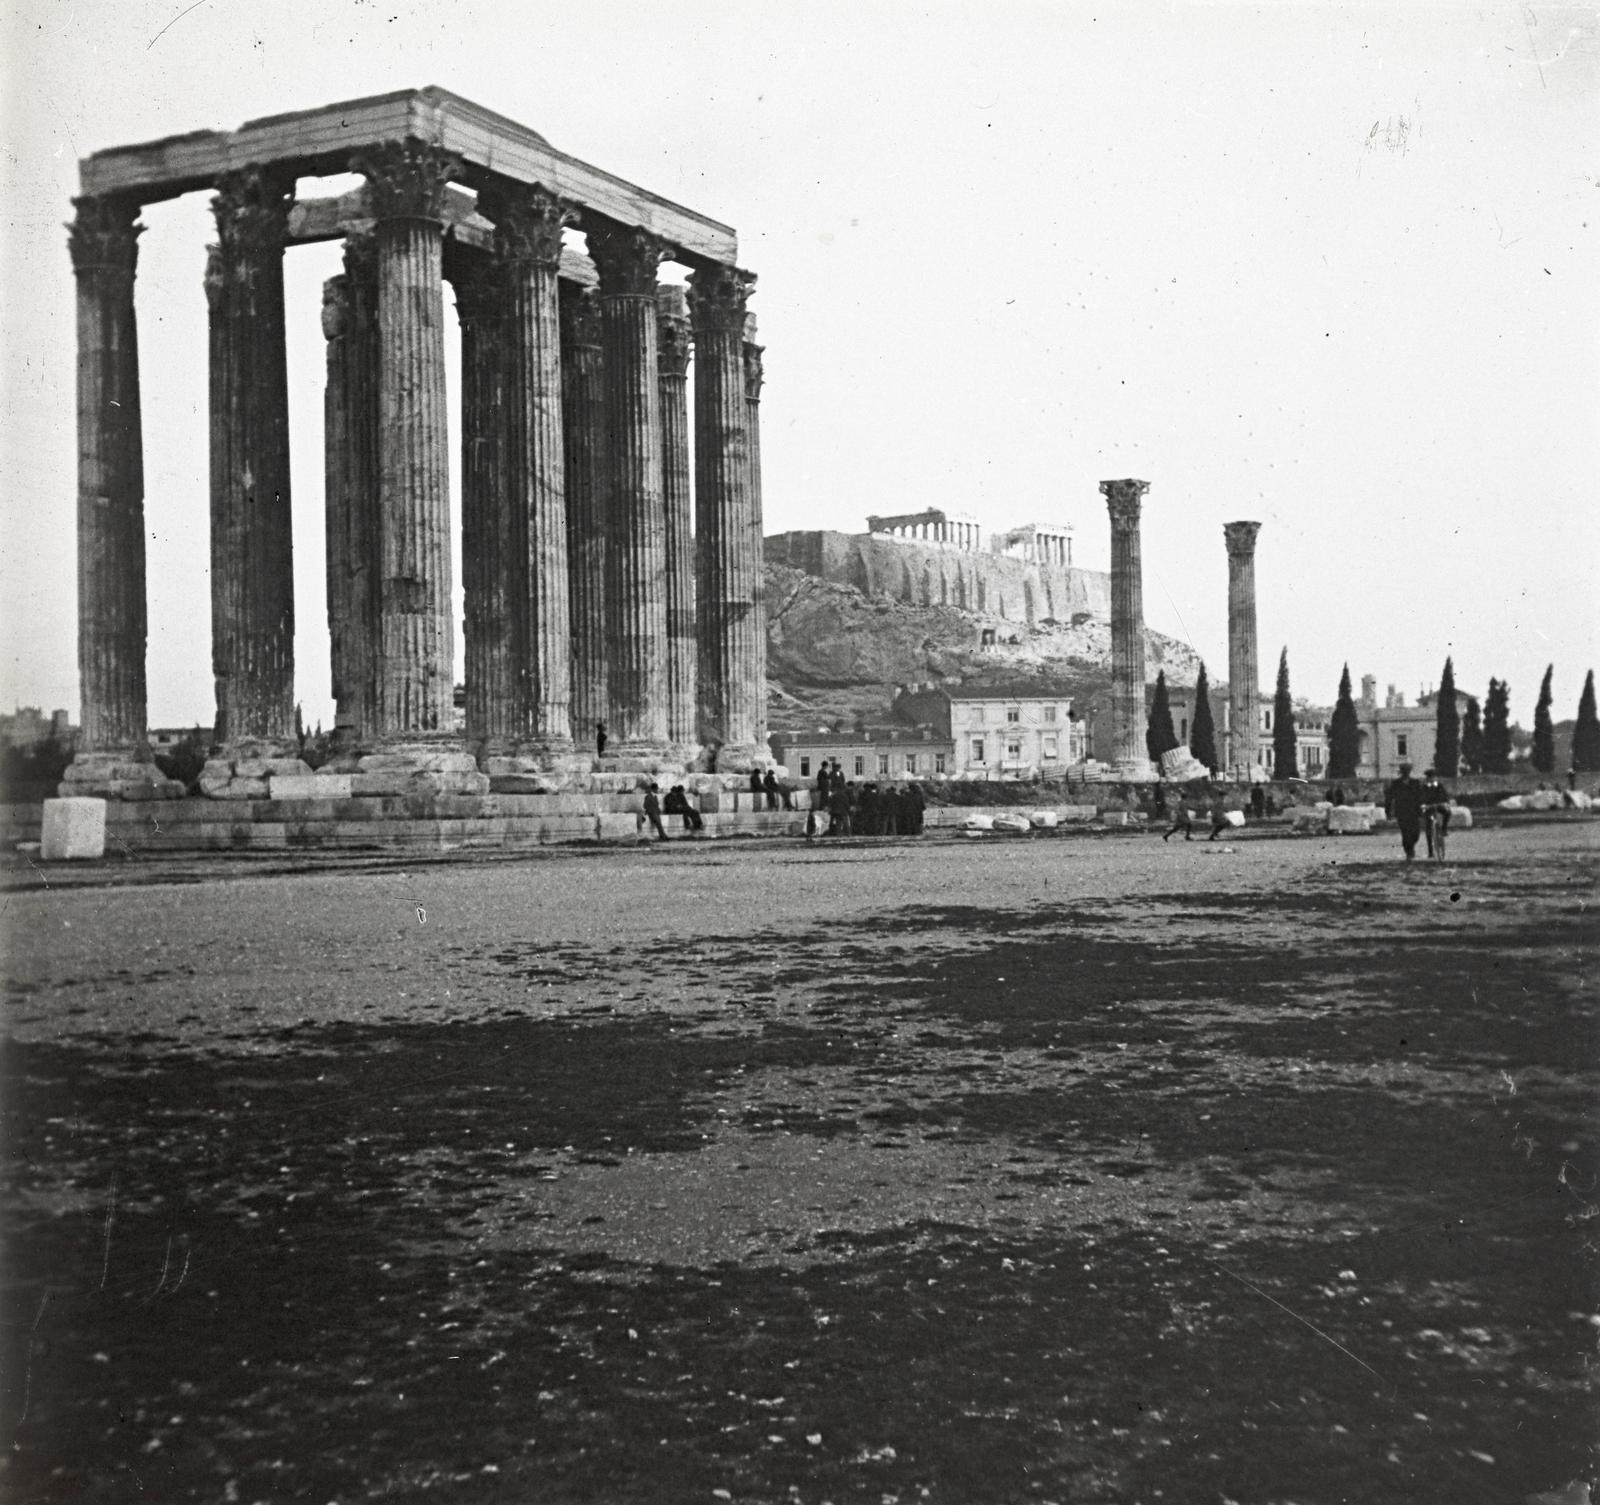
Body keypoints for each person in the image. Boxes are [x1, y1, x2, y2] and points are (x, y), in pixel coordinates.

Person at [1384, 761, 1425, 862]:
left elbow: (1421, 797)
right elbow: (1389, 798)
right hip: (1402, 812)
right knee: (1405, 833)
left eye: (1407, 770)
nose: (1406, 772)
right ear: (1401, 771)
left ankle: (1411, 848)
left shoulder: (1415, 783)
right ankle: (1409, 852)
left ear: (1410, 771)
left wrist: (1422, 811)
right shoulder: (1396, 784)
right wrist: (1387, 812)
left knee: (1416, 834)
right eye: (1404, 770)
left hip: (1414, 812)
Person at [1420, 766, 1451, 858]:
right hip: (1429, 808)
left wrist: (1446, 803)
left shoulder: (1440, 786)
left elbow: (1445, 796)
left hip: (1439, 806)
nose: (1432, 779)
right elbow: (1421, 798)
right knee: (1429, 828)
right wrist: (1422, 805)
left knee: (1447, 812)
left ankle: (1444, 829)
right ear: (1427, 778)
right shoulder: (1424, 787)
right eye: (1430, 777)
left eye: (1434, 777)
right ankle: (1430, 851)